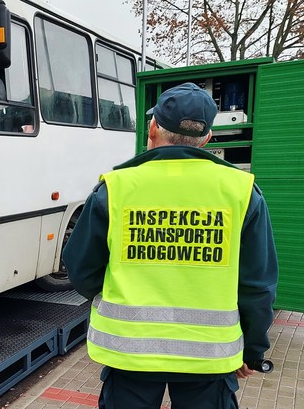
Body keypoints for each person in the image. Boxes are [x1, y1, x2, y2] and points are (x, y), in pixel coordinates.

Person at [63, 82, 278, 409]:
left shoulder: (115, 188)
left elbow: (81, 270)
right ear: (206, 139)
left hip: (130, 354)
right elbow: (257, 286)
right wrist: (252, 350)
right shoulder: (242, 191)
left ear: (152, 128)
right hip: (210, 358)